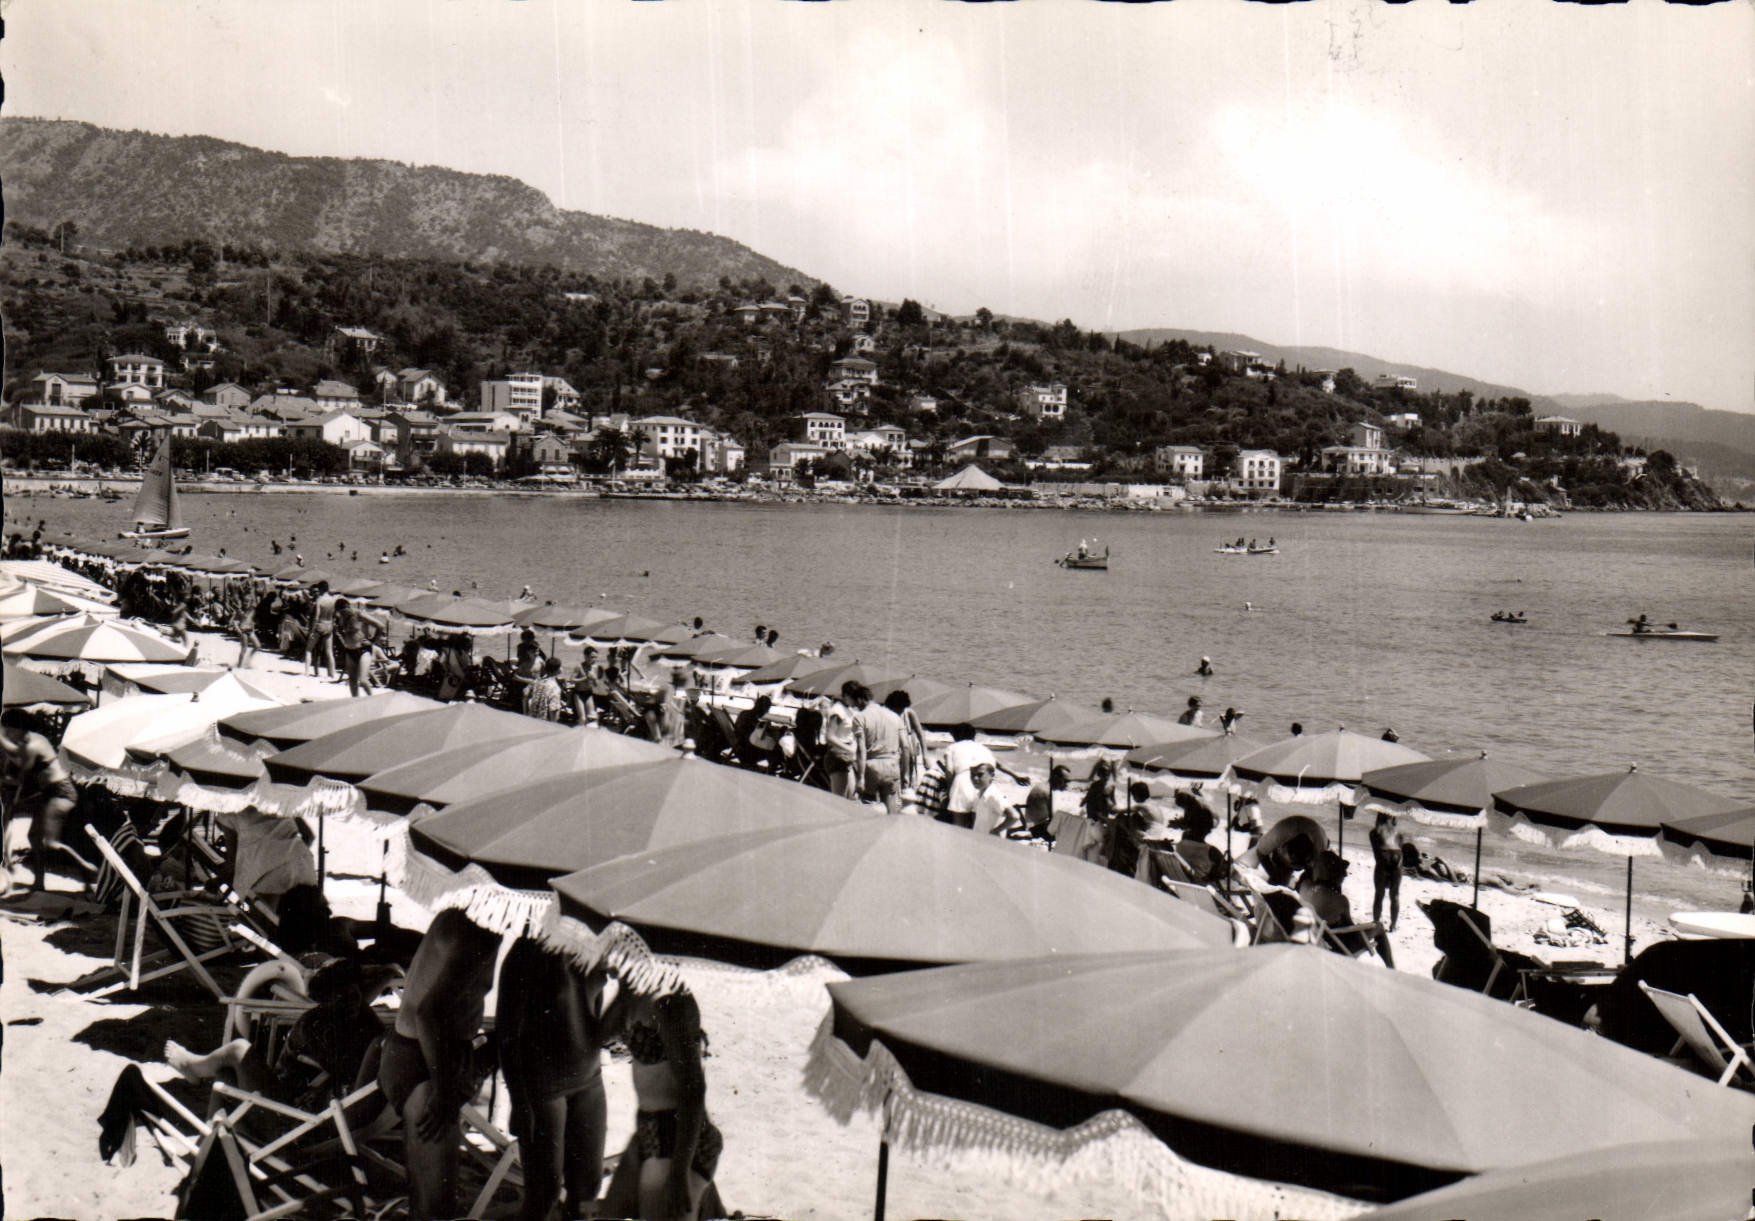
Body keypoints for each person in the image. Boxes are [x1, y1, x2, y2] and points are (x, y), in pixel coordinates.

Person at [378, 908, 501, 1221]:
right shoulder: (481, 932)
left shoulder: (456, 916)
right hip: (425, 1062)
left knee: (425, 1199)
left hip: (406, 1052)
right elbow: (428, 1014)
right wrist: (445, 1090)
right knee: (437, 1209)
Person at [498, 938, 609, 1221]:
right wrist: (520, 1102)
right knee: (543, 1194)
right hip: (544, 1088)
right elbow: (507, 1036)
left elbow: (593, 1012)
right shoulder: (526, 952)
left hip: (590, 1081)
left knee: (587, 1189)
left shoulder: (595, 944)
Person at [598, 982, 726, 1221]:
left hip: (678, 1139)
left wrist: (679, 1174)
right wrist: (624, 996)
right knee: (609, 1214)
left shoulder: (671, 1002)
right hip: (651, 1132)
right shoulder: (636, 991)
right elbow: (597, 1037)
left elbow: (694, 1091)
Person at [2, 709, 95, 893]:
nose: (7, 734)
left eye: (8, 730)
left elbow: (23, 777)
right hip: (50, 792)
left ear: (17, 728)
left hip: (61, 792)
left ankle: (87, 867)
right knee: (34, 838)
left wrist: (7, 785)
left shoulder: (33, 746)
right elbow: (14, 754)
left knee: (49, 842)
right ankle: (39, 883)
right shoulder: (31, 739)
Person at [847, 682, 904, 814]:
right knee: (891, 809)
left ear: (861, 699)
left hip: (872, 766)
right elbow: (905, 746)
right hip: (892, 765)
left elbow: (861, 750)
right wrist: (904, 773)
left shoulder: (860, 717)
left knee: (868, 808)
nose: (856, 707)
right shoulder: (894, 716)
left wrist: (860, 777)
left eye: (856, 704)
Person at [820, 688, 863, 800]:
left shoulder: (849, 710)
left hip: (847, 756)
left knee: (852, 798)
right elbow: (830, 736)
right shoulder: (837, 711)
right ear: (846, 696)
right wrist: (850, 749)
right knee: (839, 800)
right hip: (837, 756)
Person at [1369, 811, 1405, 931]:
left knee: (1379, 894)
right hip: (1397, 857)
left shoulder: (1375, 831)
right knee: (1395, 895)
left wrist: (1381, 864)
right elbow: (1401, 848)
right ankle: (1393, 926)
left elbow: (1376, 852)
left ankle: (1376, 922)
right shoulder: (1398, 833)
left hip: (1384, 857)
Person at [883, 690, 926, 790]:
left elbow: (920, 733)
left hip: (906, 748)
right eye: (898, 709)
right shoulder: (887, 713)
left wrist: (925, 754)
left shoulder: (908, 712)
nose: (901, 711)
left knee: (907, 778)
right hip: (892, 748)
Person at [304, 581, 338, 679]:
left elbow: (316, 617)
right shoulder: (333, 600)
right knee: (329, 652)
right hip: (329, 625)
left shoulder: (319, 600)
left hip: (320, 625)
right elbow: (334, 615)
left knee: (309, 649)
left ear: (321, 589)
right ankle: (332, 674)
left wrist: (312, 630)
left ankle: (306, 672)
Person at [524, 656, 568, 722]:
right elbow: (553, 710)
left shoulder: (536, 682)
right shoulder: (555, 687)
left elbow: (525, 694)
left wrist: (526, 714)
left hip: (531, 720)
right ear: (558, 670)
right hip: (544, 724)